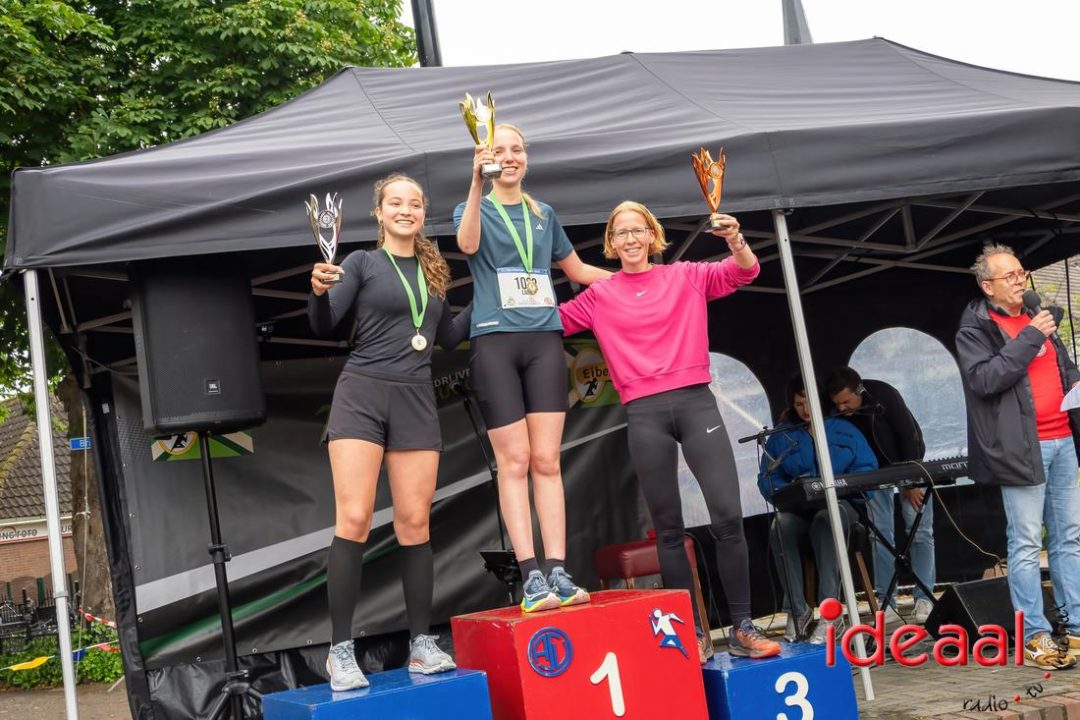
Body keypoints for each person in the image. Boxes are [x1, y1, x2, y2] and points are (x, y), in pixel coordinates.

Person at [558, 200, 780, 663]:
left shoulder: (685, 276)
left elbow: (746, 271)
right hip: (644, 413)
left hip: (696, 402)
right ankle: (691, 633)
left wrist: (736, 239)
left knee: (727, 516)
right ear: (611, 244)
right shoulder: (600, 295)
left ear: (652, 236)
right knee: (668, 529)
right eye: (621, 233)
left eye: (638, 230)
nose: (631, 239)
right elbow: (551, 323)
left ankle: (742, 627)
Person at [309, 174, 471, 691]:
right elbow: (324, 324)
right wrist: (318, 293)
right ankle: (339, 650)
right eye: (395, 203)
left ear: (423, 213)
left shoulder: (434, 271)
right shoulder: (361, 262)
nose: (406, 210)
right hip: (362, 393)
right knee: (354, 518)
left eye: (415, 204)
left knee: (415, 524)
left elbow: (447, 336)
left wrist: (489, 295)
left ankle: (422, 645)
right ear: (379, 213)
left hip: (415, 398)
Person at [454, 124, 609, 613]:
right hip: (495, 341)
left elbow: (578, 272)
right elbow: (467, 245)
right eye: (500, 150)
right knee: (515, 461)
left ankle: (558, 569)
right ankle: (531, 576)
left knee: (547, 460)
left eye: (517, 149)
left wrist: (642, 281)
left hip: (544, 339)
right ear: (487, 159)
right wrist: (476, 182)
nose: (510, 157)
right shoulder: (472, 206)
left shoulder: (544, 214)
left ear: (527, 157)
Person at [956, 244, 1080, 671]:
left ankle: (1076, 627)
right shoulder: (976, 328)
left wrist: (1075, 383)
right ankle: (1035, 636)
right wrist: (1031, 337)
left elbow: (1062, 369)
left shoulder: (1037, 316)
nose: (1019, 280)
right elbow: (985, 379)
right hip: (1020, 448)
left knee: (1068, 538)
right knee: (1027, 543)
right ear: (987, 286)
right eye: (1009, 275)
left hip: (1063, 440)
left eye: (1021, 272)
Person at [758, 375, 878, 644]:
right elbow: (767, 479)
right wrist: (789, 492)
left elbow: (867, 470)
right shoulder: (782, 436)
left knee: (827, 519)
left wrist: (843, 488)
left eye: (809, 402)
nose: (805, 409)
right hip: (800, 512)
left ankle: (830, 613)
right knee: (780, 526)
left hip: (842, 507)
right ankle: (798, 611)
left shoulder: (844, 429)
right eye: (799, 404)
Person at [825, 366, 935, 624]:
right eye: (837, 404)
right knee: (880, 535)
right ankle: (887, 602)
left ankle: (924, 598)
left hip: (907, 465)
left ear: (860, 389)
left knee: (920, 531)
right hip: (870, 474)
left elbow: (909, 434)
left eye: (846, 402)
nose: (842, 408)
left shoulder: (884, 394)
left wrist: (911, 481)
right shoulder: (835, 411)